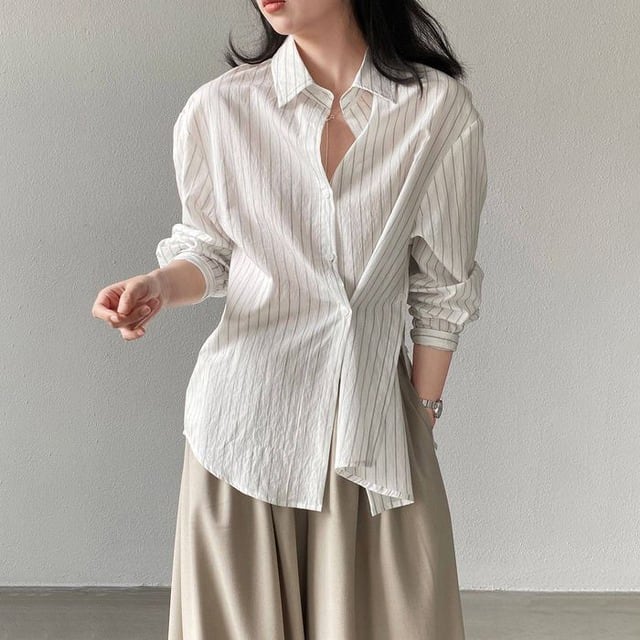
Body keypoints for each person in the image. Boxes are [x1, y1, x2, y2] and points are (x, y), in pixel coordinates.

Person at [92, 0, 488, 637]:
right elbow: (210, 249)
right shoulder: (220, 110)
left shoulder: (436, 112)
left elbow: (441, 290)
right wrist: (160, 285)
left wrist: (421, 416)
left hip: (369, 435)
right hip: (243, 435)